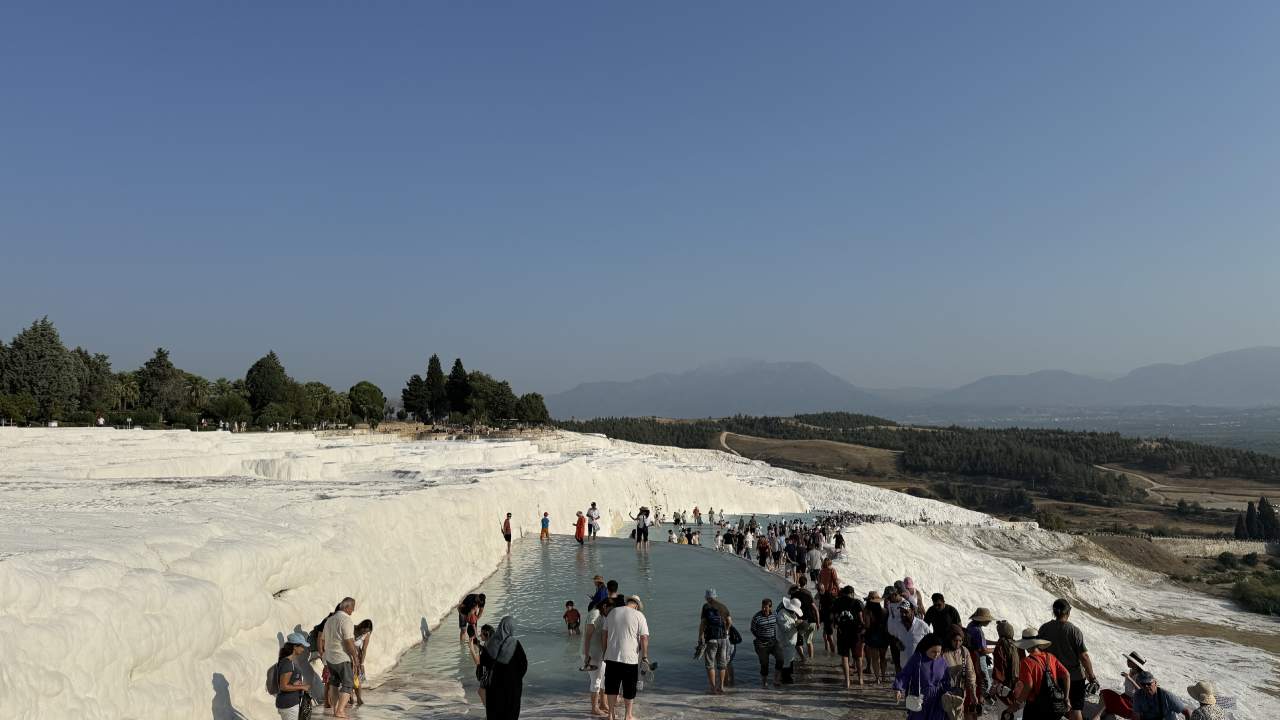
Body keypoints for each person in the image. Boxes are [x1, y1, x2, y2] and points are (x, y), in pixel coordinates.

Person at [1039, 598, 1098, 720]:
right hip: (1074, 676)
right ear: (1068, 612)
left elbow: (1039, 651)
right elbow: (1084, 656)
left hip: (1052, 675)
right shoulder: (1074, 630)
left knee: (1053, 707)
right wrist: (1091, 676)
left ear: (1054, 612)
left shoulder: (1044, 628)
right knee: (1075, 709)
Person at [603, 595, 650, 720]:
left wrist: (605, 652)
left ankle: (611, 714)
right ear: (637, 605)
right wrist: (644, 656)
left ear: (627, 602)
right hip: (630, 658)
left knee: (612, 687)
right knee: (629, 688)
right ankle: (628, 715)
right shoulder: (639, 616)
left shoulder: (613, 612)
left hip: (611, 656)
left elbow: (605, 634)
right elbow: (644, 638)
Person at [1011, 628, 1071, 720]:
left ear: (1026, 645)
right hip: (1053, 705)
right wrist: (1066, 698)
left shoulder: (1026, 662)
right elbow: (1066, 675)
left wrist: (1018, 703)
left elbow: (1029, 685)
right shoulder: (1050, 657)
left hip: (1035, 707)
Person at [893, 634, 953, 720]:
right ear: (926, 648)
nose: (936, 654)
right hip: (919, 699)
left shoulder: (942, 661)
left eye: (939, 652)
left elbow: (946, 680)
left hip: (937, 700)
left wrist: (948, 692)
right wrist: (898, 688)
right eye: (933, 651)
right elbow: (905, 675)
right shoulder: (917, 659)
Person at [321, 597, 361, 719]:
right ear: (346, 607)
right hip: (342, 657)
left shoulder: (329, 620)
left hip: (330, 657)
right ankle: (339, 711)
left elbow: (323, 639)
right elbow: (348, 641)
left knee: (334, 682)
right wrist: (355, 657)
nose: (352, 611)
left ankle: (335, 709)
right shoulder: (346, 620)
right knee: (348, 683)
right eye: (352, 609)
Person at [484, 616, 529, 720]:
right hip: (511, 687)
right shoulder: (515, 644)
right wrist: (516, 677)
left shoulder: (490, 642)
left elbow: (485, 663)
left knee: (495, 712)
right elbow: (523, 664)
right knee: (510, 713)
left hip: (494, 686)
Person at [699, 588, 733, 695]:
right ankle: (721, 686)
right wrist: (726, 632)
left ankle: (713, 688)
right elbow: (729, 621)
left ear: (707, 598)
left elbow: (703, 623)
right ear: (716, 596)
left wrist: (700, 637)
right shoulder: (723, 607)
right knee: (722, 664)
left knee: (710, 664)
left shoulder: (706, 607)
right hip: (723, 639)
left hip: (711, 639)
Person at [583, 596, 613, 718]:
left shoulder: (603, 616)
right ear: (604, 606)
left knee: (603, 679)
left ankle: (603, 704)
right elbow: (587, 636)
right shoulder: (595, 614)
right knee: (596, 680)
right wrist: (586, 655)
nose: (611, 612)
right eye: (610, 609)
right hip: (592, 653)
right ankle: (594, 708)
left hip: (600, 653)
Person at [942, 624, 979, 720]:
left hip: (960, 692)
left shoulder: (964, 651)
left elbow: (970, 672)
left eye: (960, 641)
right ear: (950, 639)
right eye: (955, 641)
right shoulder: (942, 652)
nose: (958, 643)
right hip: (945, 693)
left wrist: (973, 694)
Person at [1096, 652, 1146, 720]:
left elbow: (1142, 692)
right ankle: (1099, 716)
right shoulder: (1131, 671)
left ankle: (1098, 716)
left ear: (1135, 664)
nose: (1127, 661)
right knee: (1105, 696)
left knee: (1106, 694)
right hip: (1125, 697)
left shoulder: (1140, 676)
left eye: (1129, 660)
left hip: (1131, 703)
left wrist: (1130, 679)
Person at [274, 632, 313, 720]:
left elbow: (287, 682)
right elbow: (283, 686)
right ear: (295, 647)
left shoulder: (288, 662)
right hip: (289, 704)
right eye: (302, 646)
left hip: (289, 703)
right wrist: (302, 687)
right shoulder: (287, 663)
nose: (303, 649)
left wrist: (296, 683)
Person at [832, 585, 865, 688]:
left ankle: (847, 682)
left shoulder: (837, 602)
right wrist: (863, 628)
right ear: (852, 593)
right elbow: (860, 619)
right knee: (858, 657)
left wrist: (837, 625)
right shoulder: (856, 602)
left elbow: (834, 616)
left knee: (845, 657)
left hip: (842, 633)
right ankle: (860, 679)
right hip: (855, 633)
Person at [889, 604, 930, 680]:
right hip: (904, 664)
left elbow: (931, 641)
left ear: (912, 611)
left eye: (906, 612)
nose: (903, 615)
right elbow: (894, 637)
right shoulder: (898, 625)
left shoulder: (922, 625)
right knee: (907, 689)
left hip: (920, 665)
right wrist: (897, 642)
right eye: (901, 612)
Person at [750, 598, 784, 688]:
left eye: (766, 607)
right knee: (764, 664)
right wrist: (759, 637)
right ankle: (764, 683)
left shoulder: (774, 615)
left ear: (770, 607)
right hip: (761, 644)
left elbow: (779, 624)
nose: (764, 609)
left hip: (773, 641)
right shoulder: (757, 617)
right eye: (762, 607)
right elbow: (752, 629)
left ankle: (776, 679)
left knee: (780, 659)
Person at [775, 597, 804, 684]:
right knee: (785, 662)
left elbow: (793, 625)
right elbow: (785, 628)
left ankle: (787, 677)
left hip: (791, 643)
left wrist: (799, 623)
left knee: (790, 660)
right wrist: (796, 624)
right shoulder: (781, 614)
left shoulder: (792, 614)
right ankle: (784, 679)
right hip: (785, 643)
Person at [863, 590, 890, 685]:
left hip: (873, 636)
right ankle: (883, 677)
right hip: (884, 637)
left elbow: (867, 625)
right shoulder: (885, 611)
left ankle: (877, 679)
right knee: (883, 657)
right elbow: (887, 626)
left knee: (875, 659)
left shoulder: (868, 612)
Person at [817, 558, 841, 654]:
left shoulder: (822, 571)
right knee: (831, 620)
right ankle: (833, 650)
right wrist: (839, 591)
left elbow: (819, 582)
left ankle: (826, 645)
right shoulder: (832, 570)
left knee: (825, 626)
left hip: (823, 596)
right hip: (831, 595)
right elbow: (835, 581)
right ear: (830, 563)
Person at [792, 578, 819, 660]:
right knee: (809, 641)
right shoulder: (809, 593)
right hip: (812, 621)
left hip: (801, 621)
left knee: (798, 643)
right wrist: (818, 622)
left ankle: (803, 658)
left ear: (798, 583)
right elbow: (815, 609)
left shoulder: (795, 594)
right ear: (806, 583)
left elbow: (792, 608)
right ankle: (811, 659)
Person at [469, 624, 495, 707]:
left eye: (481, 633)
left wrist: (471, 648)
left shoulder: (488, 647)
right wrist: (477, 644)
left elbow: (477, 662)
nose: (480, 635)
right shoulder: (492, 643)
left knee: (481, 692)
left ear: (487, 634)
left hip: (490, 674)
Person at [352, 619, 374, 707]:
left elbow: (364, 649)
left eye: (367, 631)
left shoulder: (366, 634)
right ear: (361, 627)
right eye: (364, 630)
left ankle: (359, 698)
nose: (364, 633)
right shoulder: (352, 629)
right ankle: (350, 697)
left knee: (357, 678)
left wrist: (361, 663)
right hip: (348, 654)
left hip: (358, 655)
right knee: (350, 677)